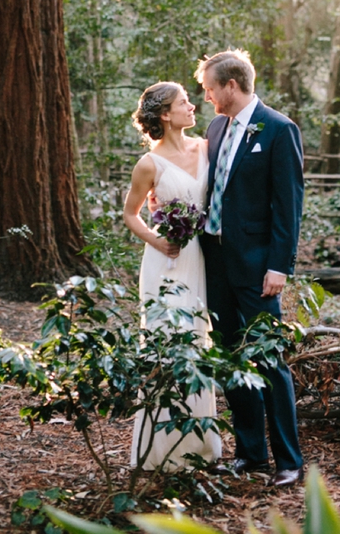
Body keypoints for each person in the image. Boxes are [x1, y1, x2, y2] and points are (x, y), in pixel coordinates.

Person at [196, 49, 305, 488]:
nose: (206, 97)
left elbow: (288, 206)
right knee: (228, 355)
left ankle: (288, 460)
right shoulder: (216, 127)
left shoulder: (279, 130)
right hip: (216, 261)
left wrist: (280, 265)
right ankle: (250, 454)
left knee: (268, 357)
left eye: (209, 89)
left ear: (232, 86)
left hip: (260, 266)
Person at [123, 81, 221, 471]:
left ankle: (200, 446)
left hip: (202, 256)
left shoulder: (206, 147)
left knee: (198, 340)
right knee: (166, 341)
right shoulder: (149, 164)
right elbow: (131, 214)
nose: (192, 105)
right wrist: (158, 241)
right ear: (165, 114)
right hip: (166, 259)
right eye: (184, 102)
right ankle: (161, 449)